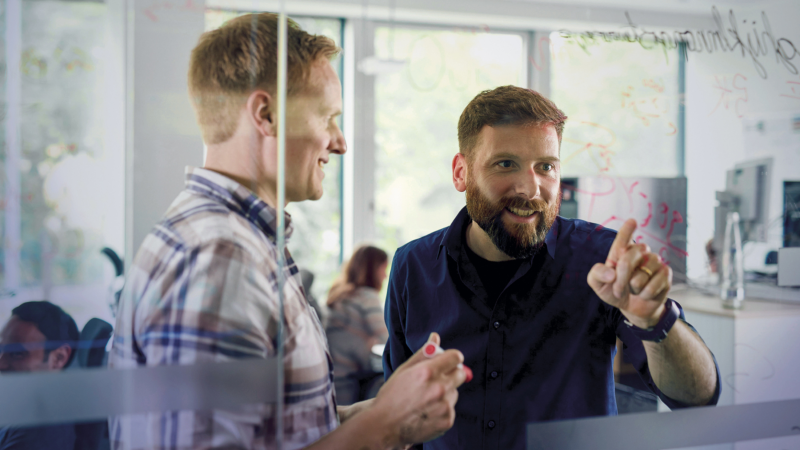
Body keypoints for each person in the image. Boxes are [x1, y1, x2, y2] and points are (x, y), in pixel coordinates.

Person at [109, 13, 467, 450]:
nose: (340, 142)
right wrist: (386, 426)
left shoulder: (240, 242)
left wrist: (385, 408)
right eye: (328, 117)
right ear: (267, 114)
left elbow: (277, 429)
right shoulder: (220, 257)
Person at [382, 86, 721, 450]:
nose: (531, 188)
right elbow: (398, 415)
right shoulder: (412, 266)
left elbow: (697, 399)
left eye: (546, 167)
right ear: (461, 172)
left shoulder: (603, 260)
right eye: (505, 163)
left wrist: (655, 320)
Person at [0, 301, 80, 450]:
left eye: (17, 354)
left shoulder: (42, 429)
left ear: (58, 358)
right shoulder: (25, 404)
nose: (1, 364)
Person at [325, 245, 390, 404]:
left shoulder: (341, 293)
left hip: (331, 372)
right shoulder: (367, 296)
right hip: (346, 378)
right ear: (372, 269)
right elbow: (387, 337)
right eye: (383, 268)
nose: (386, 275)